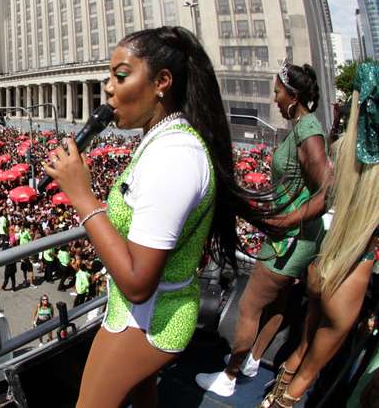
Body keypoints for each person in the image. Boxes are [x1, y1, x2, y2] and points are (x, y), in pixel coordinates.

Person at [44, 26, 280, 407]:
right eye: (109, 78)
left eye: (121, 76)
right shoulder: (161, 143)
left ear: (162, 82)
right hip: (137, 313)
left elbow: (139, 282)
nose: (108, 88)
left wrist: (83, 197)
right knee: (143, 396)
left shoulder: (174, 157)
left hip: (149, 320)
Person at [196, 60, 330, 397]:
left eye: (277, 93)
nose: (274, 99)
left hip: (290, 240)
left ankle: (228, 377)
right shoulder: (303, 127)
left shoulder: (308, 132)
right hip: (295, 238)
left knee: (249, 306)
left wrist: (286, 221)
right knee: (278, 303)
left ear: (293, 96)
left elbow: (328, 192)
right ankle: (253, 359)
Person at [257, 62, 379, 408]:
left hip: (322, 267)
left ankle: (267, 399)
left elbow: (324, 199)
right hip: (353, 275)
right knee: (309, 374)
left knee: (299, 353)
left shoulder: (340, 152)